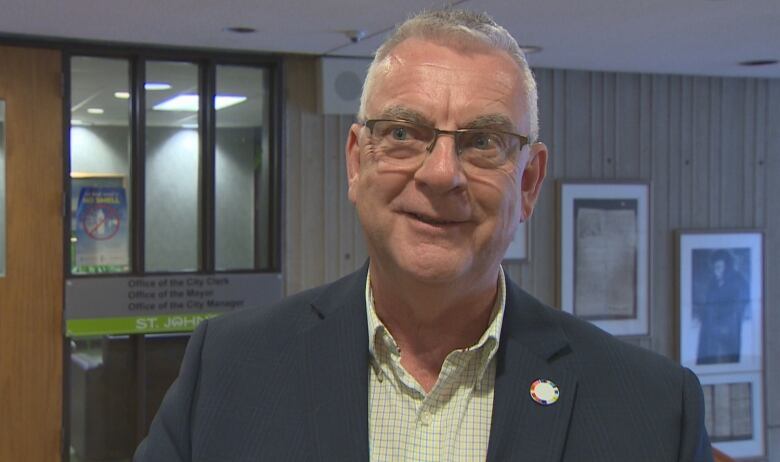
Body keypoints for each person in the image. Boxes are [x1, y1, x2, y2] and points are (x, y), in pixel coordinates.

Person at [135, 9, 713, 461]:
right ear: (357, 163)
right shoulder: (230, 369)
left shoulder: (653, 410)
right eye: (405, 132)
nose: (441, 173)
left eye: (483, 141)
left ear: (529, 182)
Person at [695, 249, 750, 365]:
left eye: (719, 267)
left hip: (728, 329)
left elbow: (738, 306)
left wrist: (722, 321)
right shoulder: (713, 283)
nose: (716, 272)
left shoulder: (739, 282)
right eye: (715, 268)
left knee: (725, 359)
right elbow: (708, 305)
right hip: (710, 329)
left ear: (727, 266)